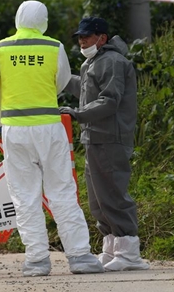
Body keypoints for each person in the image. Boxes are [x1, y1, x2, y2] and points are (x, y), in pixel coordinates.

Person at [0, 0, 103, 277]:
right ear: (44, 20)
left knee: (25, 196)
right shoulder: (54, 46)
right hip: (49, 126)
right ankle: (80, 256)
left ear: (18, 19)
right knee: (61, 190)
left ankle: (37, 260)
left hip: (14, 129)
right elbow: (60, 81)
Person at [60, 16, 150, 271]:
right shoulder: (94, 61)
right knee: (98, 200)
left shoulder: (111, 61)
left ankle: (129, 253)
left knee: (112, 194)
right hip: (96, 137)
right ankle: (112, 249)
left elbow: (109, 100)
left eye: (86, 37)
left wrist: (76, 114)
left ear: (102, 37)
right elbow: (86, 89)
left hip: (110, 137)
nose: (82, 41)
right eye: (79, 37)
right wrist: (63, 79)